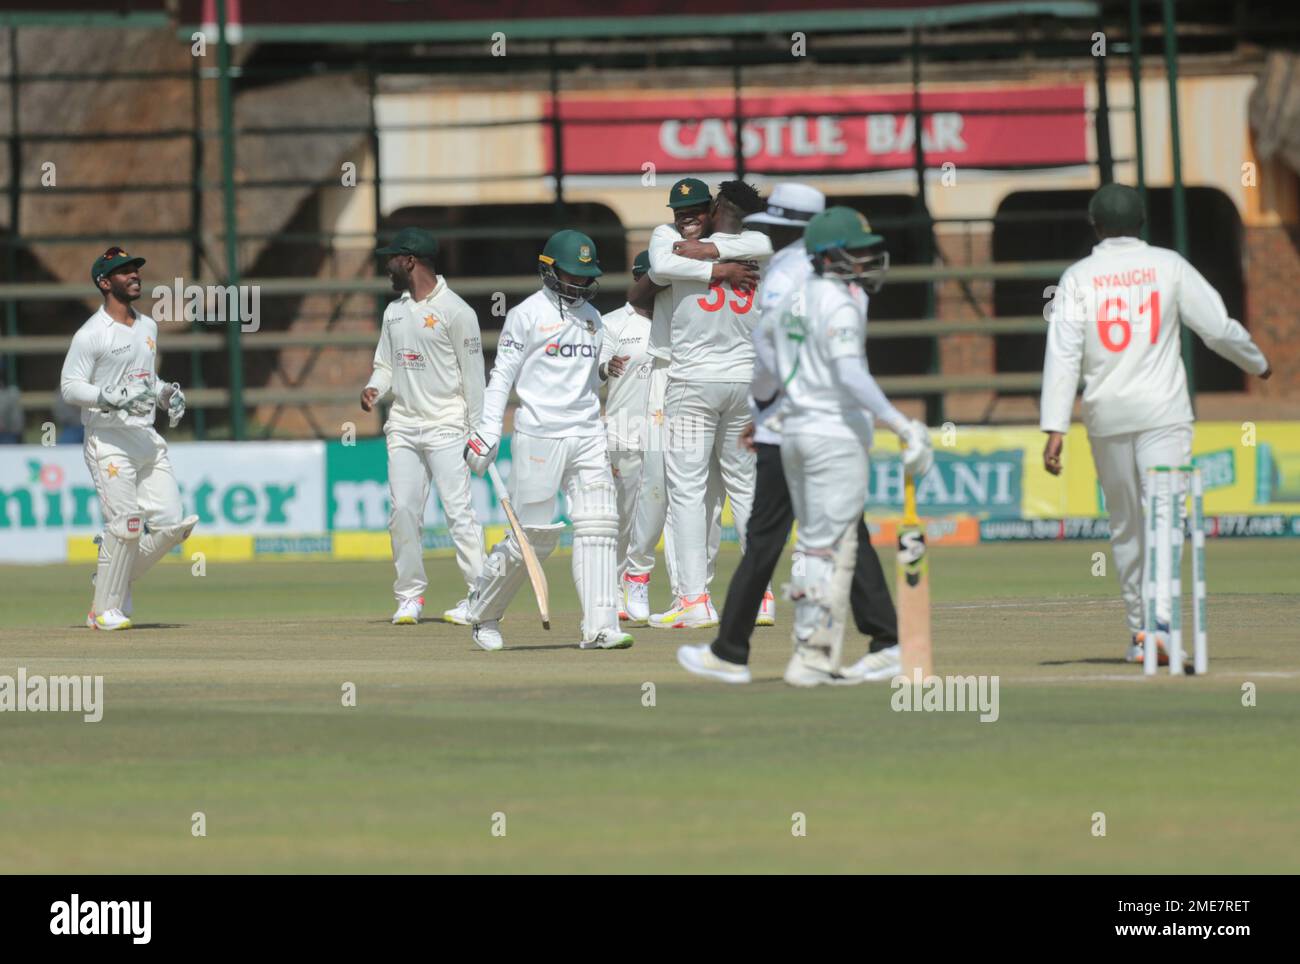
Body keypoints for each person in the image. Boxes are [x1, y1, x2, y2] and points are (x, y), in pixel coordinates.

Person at [678, 207, 932, 686]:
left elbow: (766, 361)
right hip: (833, 437)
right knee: (834, 550)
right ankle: (830, 654)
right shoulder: (840, 302)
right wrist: (902, 425)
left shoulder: (792, 298)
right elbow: (849, 371)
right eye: (856, 253)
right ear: (828, 256)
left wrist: (766, 413)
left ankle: (815, 655)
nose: (866, 261)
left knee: (820, 549)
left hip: (794, 434)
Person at [1040, 183, 1271, 665]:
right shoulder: (1168, 266)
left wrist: (1054, 426)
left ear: (1095, 225)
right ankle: (1160, 624)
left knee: (1127, 525)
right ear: (1142, 222)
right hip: (1163, 413)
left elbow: (1063, 353)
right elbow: (1217, 326)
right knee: (1165, 518)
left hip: (1106, 415)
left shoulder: (1078, 277)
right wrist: (1257, 363)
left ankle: (1142, 632)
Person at [461, 230, 633, 651]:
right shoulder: (526, 315)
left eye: (584, 277)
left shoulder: (594, 319)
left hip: (587, 431)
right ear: (549, 270)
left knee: (599, 525)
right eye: (571, 276)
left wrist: (603, 372)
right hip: (539, 433)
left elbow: (588, 380)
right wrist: (488, 432)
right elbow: (502, 374)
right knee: (533, 537)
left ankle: (600, 626)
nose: (579, 284)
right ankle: (483, 612)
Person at [646, 178, 773, 629]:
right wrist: (720, 266)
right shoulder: (757, 247)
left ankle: (695, 601)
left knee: (688, 491)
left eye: (700, 208)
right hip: (744, 381)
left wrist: (708, 253)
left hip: (694, 380)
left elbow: (659, 268)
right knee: (746, 490)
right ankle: (762, 597)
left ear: (716, 207)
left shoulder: (681, 241)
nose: (686, 219)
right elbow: (660, 268)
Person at [59, 246, 198, 631]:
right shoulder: (92, 334)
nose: (134, 275)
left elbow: (144, 379)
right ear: (105, 282)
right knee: (127, 526)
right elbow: (70, 387)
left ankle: (110, 578)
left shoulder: (148, 326)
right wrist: (106, 396)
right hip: (108, 440)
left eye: (135, 269)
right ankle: (104, 611)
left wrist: (165, 392)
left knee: (173, 525)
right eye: (124, 271)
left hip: (145, 437)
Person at [361, 227, 488, 626]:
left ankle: (479, 594)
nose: (387, 266)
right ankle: (410, 596)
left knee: (459, 513)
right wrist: (374, 388)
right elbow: (385, 364)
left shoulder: (457, 311)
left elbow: (474, 378)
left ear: (410, 261)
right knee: (402, 512)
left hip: (448, 426)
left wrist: (479, 433)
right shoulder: (394, 311)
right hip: (403, 424)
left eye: (392, 258)